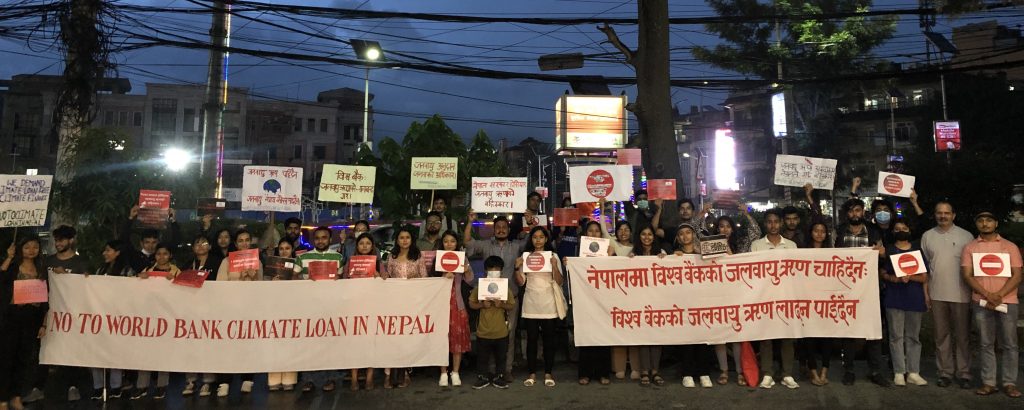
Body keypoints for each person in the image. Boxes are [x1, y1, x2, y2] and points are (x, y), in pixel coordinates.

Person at [960, 211, 1022, 398]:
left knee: (1010, 344)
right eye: (980, 220)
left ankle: (1010, 383)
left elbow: (1017, 275)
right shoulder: (970, 247)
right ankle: (989, 382)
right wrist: (987, 295)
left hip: (1007, 301)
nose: (985, 223)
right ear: (977, 224)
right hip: (982, 301)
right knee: (986, 343)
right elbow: (967, 275)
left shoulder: (1009, 247)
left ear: (996, 223)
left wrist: (999, 295)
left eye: (988, 220)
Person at [833, 198, 889, 387]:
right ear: (846, 214)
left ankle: (875, 371)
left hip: (871, 289)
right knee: (849, 330)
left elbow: (883, 255)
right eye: (851, 211)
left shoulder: (873, 231)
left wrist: (882, 253)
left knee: (873, 331)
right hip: (847, 289)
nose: (854, 214)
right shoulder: (839, 232)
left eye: (858, 210)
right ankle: (849, 370)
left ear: (863, 211)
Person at [920, 200, 975, 389]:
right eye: (939, 213)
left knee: (962, 336)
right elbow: (926, 267)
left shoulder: (966, 236)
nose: (943, 216)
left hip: (961, 294)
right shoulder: (927, 236)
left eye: (946, 213)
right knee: (941, 336)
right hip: (937, 294)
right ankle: (945, 372)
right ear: (935, 215)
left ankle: (964, 373)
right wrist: (926, 293)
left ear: (954, 215)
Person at [464, 213, 524, 382]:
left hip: (510, 297)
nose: (501, 230)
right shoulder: (485, 245)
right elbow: (467, 242)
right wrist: (470, 222)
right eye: (498, 227)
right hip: (488, 299)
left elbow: (531, 240)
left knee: (509, 334)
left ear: (509, 229)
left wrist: (532, 222)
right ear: (494, 230)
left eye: (504, 227)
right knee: (489, 335)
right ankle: (490, 370)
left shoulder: (516, 246)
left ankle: (506, 370)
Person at [750, 209, 800, 389]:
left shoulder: (792, 245)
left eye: (776, 222)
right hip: (764, 297)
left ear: (781, 223)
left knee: (787, 337)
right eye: (769, 222)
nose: (773, 225)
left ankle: (787, 374)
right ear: (765, 224)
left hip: (786, 296)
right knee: (766, 338)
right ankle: (768, 373)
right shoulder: (756, 245)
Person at [711, 204, 760, 386]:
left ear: (732, 229)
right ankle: (724, 370)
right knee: (720, 336)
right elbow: (693, 231)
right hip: (717, 295)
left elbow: (755, 232)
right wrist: (703, 212)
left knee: (737, 334)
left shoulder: (741, 245)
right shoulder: (709, 244)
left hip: (738, 295)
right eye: (721, 226)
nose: (724, 229)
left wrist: (745, 213)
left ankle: (740, 371)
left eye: (727, 226)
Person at [42, 226, 91, 402]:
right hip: (50, 311)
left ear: (71, 240)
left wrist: (66, 278)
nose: (58, 243)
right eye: (56, 240)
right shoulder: (48, 261)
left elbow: (87, 287)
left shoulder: (80, 262)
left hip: (72, 314)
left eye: (62, 239)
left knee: (71, 350)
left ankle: (73, 385)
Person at [293, 227, 344, 392]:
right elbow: (294, 278)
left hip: (331, 306)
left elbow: (343, 280)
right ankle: (308, 380)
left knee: (331, 343)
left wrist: (338, 279)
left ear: (330, 239)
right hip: (309, 306)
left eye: (324, 238)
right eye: (318, 238)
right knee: (309, 344)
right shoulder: (303, 258)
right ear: (314, 240)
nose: (321, 241)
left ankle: (331, 378)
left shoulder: (338, 258)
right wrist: (303, 281)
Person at [880, 219, 929, 387]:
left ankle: (913, 372)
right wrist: (893, 278)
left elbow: (924, 277)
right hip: (894, 298)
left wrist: (910, 278)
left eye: (904, 228)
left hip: (915, 298)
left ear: (909, 230)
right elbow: (883, 273)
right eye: (897, 228)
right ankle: (899, 372)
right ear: (893, 232)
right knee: (895, 337)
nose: (901, 230)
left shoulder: (917, 250)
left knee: (913, 337)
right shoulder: (889, 251)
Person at [215, 230, 263, 397]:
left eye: (247, 240)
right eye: (241, 241)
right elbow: (219, 287)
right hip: (230, 310)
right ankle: (224, 381)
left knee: (248, 345)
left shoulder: (257, 262)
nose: (244, 243)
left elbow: (263, 288)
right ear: (235, 244)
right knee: (227, 346)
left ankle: (248, 379)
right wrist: (238, 279)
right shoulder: (227, 261)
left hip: (249, 310)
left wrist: (254, 278)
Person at [0, 237, 46, 410]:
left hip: (32, 319)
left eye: (35, 247)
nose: (31, 250)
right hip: (12, 318)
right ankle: (3, 398)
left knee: (24, 360)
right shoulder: (12, 266)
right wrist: (9, 257)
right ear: (21, 249)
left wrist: (43, 323)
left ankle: (16, 396)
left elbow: (45, 298)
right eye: (27, 247)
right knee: (6, 359)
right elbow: (1, 277)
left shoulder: (41, 269)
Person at [515, 226, 564, 388]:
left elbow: (560, 281)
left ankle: (548, 373)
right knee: (532, 340)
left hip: (549, 302)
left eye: (541, 237)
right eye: (535, 237)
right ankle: (532, 374)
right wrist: (517, 267)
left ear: (546, 239)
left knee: (549, 340)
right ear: (531, 239)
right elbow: (521, 282)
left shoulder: (553, 256)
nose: (538, 240)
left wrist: (555, 265)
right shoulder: (525, 256)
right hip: (531, 302)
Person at [132, 243, 180, 400]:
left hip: (168, 317)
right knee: (145, 352)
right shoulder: (149, 271)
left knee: (163, 353)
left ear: (170, 255)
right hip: (149, 317)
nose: (161, 256)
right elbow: (134, 288)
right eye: (158, 253)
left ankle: (161, 386)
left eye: (165, 253)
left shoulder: (176, 271)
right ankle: (142, 386)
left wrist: (175, 281)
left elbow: (184, 291)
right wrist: (140, 278)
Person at [88, 240, 134, 400]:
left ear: (118, 252)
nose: (104, 253)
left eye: (108, 250)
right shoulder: (100, 270)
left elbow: (132, 293)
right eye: (104, 250)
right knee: (97, 352)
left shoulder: (127, 271)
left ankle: (115, 386)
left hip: (118, 317)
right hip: (100, 317)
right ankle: (98, 386)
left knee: (115, 351)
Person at [382, 226, 427, 388]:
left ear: (412, 239)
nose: (405, 240)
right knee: (392, 337)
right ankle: (388, 374)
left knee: (407, 336)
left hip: (412, 302)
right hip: (394, 302)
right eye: (401, 237)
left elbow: (425, 278)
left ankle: (405, 372)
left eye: (407, 237)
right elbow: (387, 277)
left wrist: (416, 280)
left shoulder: (418, 256)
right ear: (397, 240)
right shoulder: (391, 256)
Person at [672, 225, 715, 388]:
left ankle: (704, 373)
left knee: (703, 338)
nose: (685, 236)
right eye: (681, 233)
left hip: (703, 303)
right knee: (687, 339)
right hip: (683, 304)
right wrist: (671, 258)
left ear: (694, 235)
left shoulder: (704, 253)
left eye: (688, 232)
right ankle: (687, 373)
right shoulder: (675, 255)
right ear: (677, 238)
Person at [575, 220, 612, 386]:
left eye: (597, 231)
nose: (594, 234)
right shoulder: (579, 253)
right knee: (587, 337)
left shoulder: (609, 252)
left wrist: (611, 257)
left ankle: (603, 373)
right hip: (585, 300)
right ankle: (585, 373)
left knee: (603, 338)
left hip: (603, 300)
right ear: (585, 234)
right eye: (590, 231)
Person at [434, 231, 473, 388]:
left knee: (457, 338)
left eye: (452, 241)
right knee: (441, 339)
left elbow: (470, 280)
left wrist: (466, 270)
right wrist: (443, 275)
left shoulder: (462, 259)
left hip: (457, 304)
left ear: (457, 243)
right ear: (442, 243)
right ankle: (443, 372)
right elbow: (430, 281)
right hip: (439, 305)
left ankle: (455, 372)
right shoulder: (438, 259)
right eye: (446, 241)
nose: (449, 244)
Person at [470, 256, 515, 390]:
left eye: (497, 270)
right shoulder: (480, 287)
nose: (494, 272)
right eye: (491, 270)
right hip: (483, 331)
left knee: (501, 357)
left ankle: (500, 377)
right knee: (482, 358)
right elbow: (471, 303)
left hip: (501, 331)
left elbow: (511, 305)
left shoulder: (505, 288)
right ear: (485, 271)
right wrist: (482, 305)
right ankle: (482, 377)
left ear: (501, 272)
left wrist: (501, 304)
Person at [629, 226, 667, 386]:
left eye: (650, 234)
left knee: (656, 336)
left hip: (658, 300)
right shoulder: (633, 253)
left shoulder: (662, 253)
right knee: (644, 336)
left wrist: (667, 258)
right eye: (643, 234)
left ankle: (655, 371)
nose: (646, 237)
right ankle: (645, 371)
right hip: (640, 300)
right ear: (639, 236)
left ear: (654, 237)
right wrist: (629, 259)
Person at [342, 233, 378, 390]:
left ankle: (369, 377)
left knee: (371, 342)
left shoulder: (378, 263)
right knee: (354, 342)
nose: (364, 246)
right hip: (354, 306)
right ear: (357, 246)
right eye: (361, 243)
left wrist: (379, 275)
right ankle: (354, 378)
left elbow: (386, 278)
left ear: (372, 246)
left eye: (368, 243)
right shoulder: (350, 262)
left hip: (372, 306)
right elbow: (343, 281)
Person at [802, 222, 835, 387]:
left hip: (827, 301)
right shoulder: (802, 253)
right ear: (811, 232)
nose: (820, 234)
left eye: (823, 231)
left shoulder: (832, 253)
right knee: (809, 338)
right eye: (816, 230)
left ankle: (824, 371)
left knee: (826, 337)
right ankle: (813, 371)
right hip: (807, 300)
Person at [120, 205, 181, 273]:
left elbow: (176, 241)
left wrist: (173, 220)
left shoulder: (162, 256)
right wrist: (131, 218)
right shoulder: (134, 256)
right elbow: (124, 240)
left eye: (154, 242)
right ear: (141, 243)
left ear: (158, 242)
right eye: (147, 242)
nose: (150, 246)